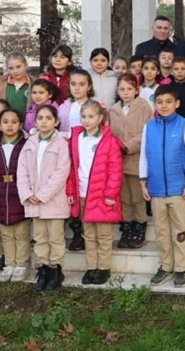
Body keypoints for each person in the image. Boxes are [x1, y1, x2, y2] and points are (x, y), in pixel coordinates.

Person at [140, 85, 185, 287]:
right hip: (156, 189)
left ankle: (181, 268)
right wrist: (143, 182)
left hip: (178, 188)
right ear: (154, 104)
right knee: (161, 230)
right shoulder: (149, 127)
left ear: (176, 103)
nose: (164, 106)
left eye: (168, 102)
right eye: (159, 102)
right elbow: (144, 156)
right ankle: (165, 266)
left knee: (180, 229)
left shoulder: (184, 125)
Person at [66, 100, 124, 286]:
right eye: (84, 116)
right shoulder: (76, 138)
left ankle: (104, 268)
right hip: (82, 193)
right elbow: (72, 168)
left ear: (100, 118)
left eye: (91, 116)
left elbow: (116, 170)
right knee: (88, 234)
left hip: (102, 195)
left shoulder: (109, 141)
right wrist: (71, 191)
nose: (87, 120)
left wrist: (110, 194)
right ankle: (91, 267)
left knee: (104, 235)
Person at [17, 105, 71, 293]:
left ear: (56, 122)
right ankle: (43, 268)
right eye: (40, 118)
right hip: (34, 202)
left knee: (55, 237)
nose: (44, 121)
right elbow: (21, 170)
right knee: (40, 237)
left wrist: (42, 195)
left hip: (52, 200)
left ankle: (56, 269)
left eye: (49, 118)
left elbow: (61, 172)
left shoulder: (61, 143)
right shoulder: (30, 143)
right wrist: (28, 193)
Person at [0, 108, 29, 283]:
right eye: (5, 122)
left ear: (21, 124)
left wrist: (26, 190)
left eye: (14, 122)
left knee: (21, 232)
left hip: (19, 191)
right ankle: (10, 263)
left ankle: (21, 264)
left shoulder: (26, 144)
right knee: (6, 233)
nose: (10, 125)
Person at [109, 74, 153, 249]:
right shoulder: (113, 110)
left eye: (129, 89)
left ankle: (140, 225)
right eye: (122, 89)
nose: (125, 93)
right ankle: (127, 225)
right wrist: (115, 149)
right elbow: (110, 133)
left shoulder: (144, 107)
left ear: (137, 90)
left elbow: (146, 132)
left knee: (137, 195)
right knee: (124, 196)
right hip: (118, 160)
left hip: (136, 158)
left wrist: (127, 147)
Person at [57, 69, 95, 252]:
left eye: (82, 84)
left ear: (89, 86)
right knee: (70, 191)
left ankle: (87, 231)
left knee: (84, 191)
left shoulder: (95, 106)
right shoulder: (64, 107)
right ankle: (76, 230)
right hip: (66, 153)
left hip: (85, 154)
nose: (77, 88)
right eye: (73, 84)